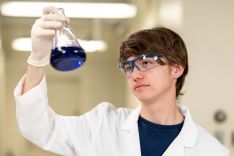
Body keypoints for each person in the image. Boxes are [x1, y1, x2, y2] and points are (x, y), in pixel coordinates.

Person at [14, 6, 229, 156]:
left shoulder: (211, 151)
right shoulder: (101, 126)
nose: (135, 74)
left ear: (177, 68)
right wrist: (37, 59)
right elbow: (39, 127)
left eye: (146, 63)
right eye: (128, 66)